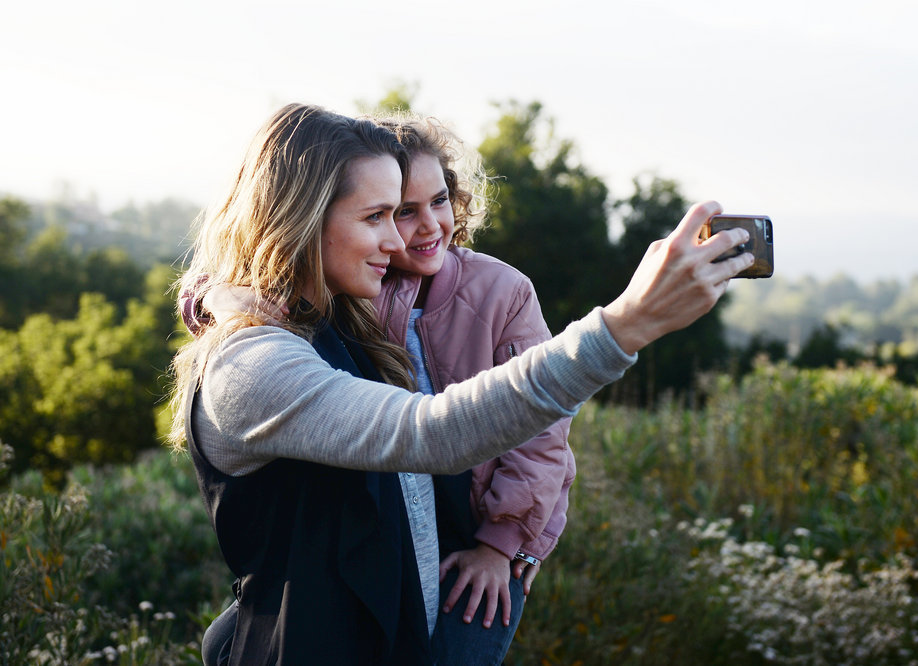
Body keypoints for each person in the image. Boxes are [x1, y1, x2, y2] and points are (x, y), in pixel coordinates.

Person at [171, 102, 753, 665]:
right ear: (300, 218)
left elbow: (536, 442)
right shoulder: (251, 363)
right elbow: (429, 432)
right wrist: (625, 325)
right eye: (379, 216)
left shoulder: (334, 316)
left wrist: (503, 540)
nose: (402, 240)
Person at [194, 113, 575, 665]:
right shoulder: (357, 293)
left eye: (439, 202)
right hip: (399, 526)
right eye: (393, 213)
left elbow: (542, 433)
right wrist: (216, 301)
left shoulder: (500, 290)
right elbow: (248, 276)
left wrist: (503, 543)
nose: (418, 230)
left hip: (481, 530)